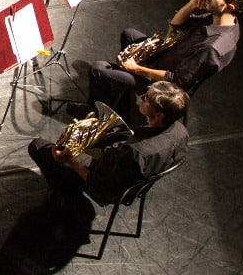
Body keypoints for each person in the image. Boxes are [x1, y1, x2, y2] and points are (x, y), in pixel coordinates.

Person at [81, 0, 243, 118]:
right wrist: (193, 4)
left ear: (229, 7)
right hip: (167, 58)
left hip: (162, 85)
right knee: (129, 34)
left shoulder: (212, 47)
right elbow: (177, 25)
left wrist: (136, 69)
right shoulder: (219, 19)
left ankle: (95, 114)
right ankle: (119, 94)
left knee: (98, 69)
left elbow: (176, 80)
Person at [30, 81, 189, 206]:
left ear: (159, 115)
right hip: (129, 171)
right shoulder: (181, 131)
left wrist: (70, 160)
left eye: (146, 99)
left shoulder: (134, 152)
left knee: (38, 146)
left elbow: (102, 188)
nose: (141, 97)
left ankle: (66, 191)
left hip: (108, 186)